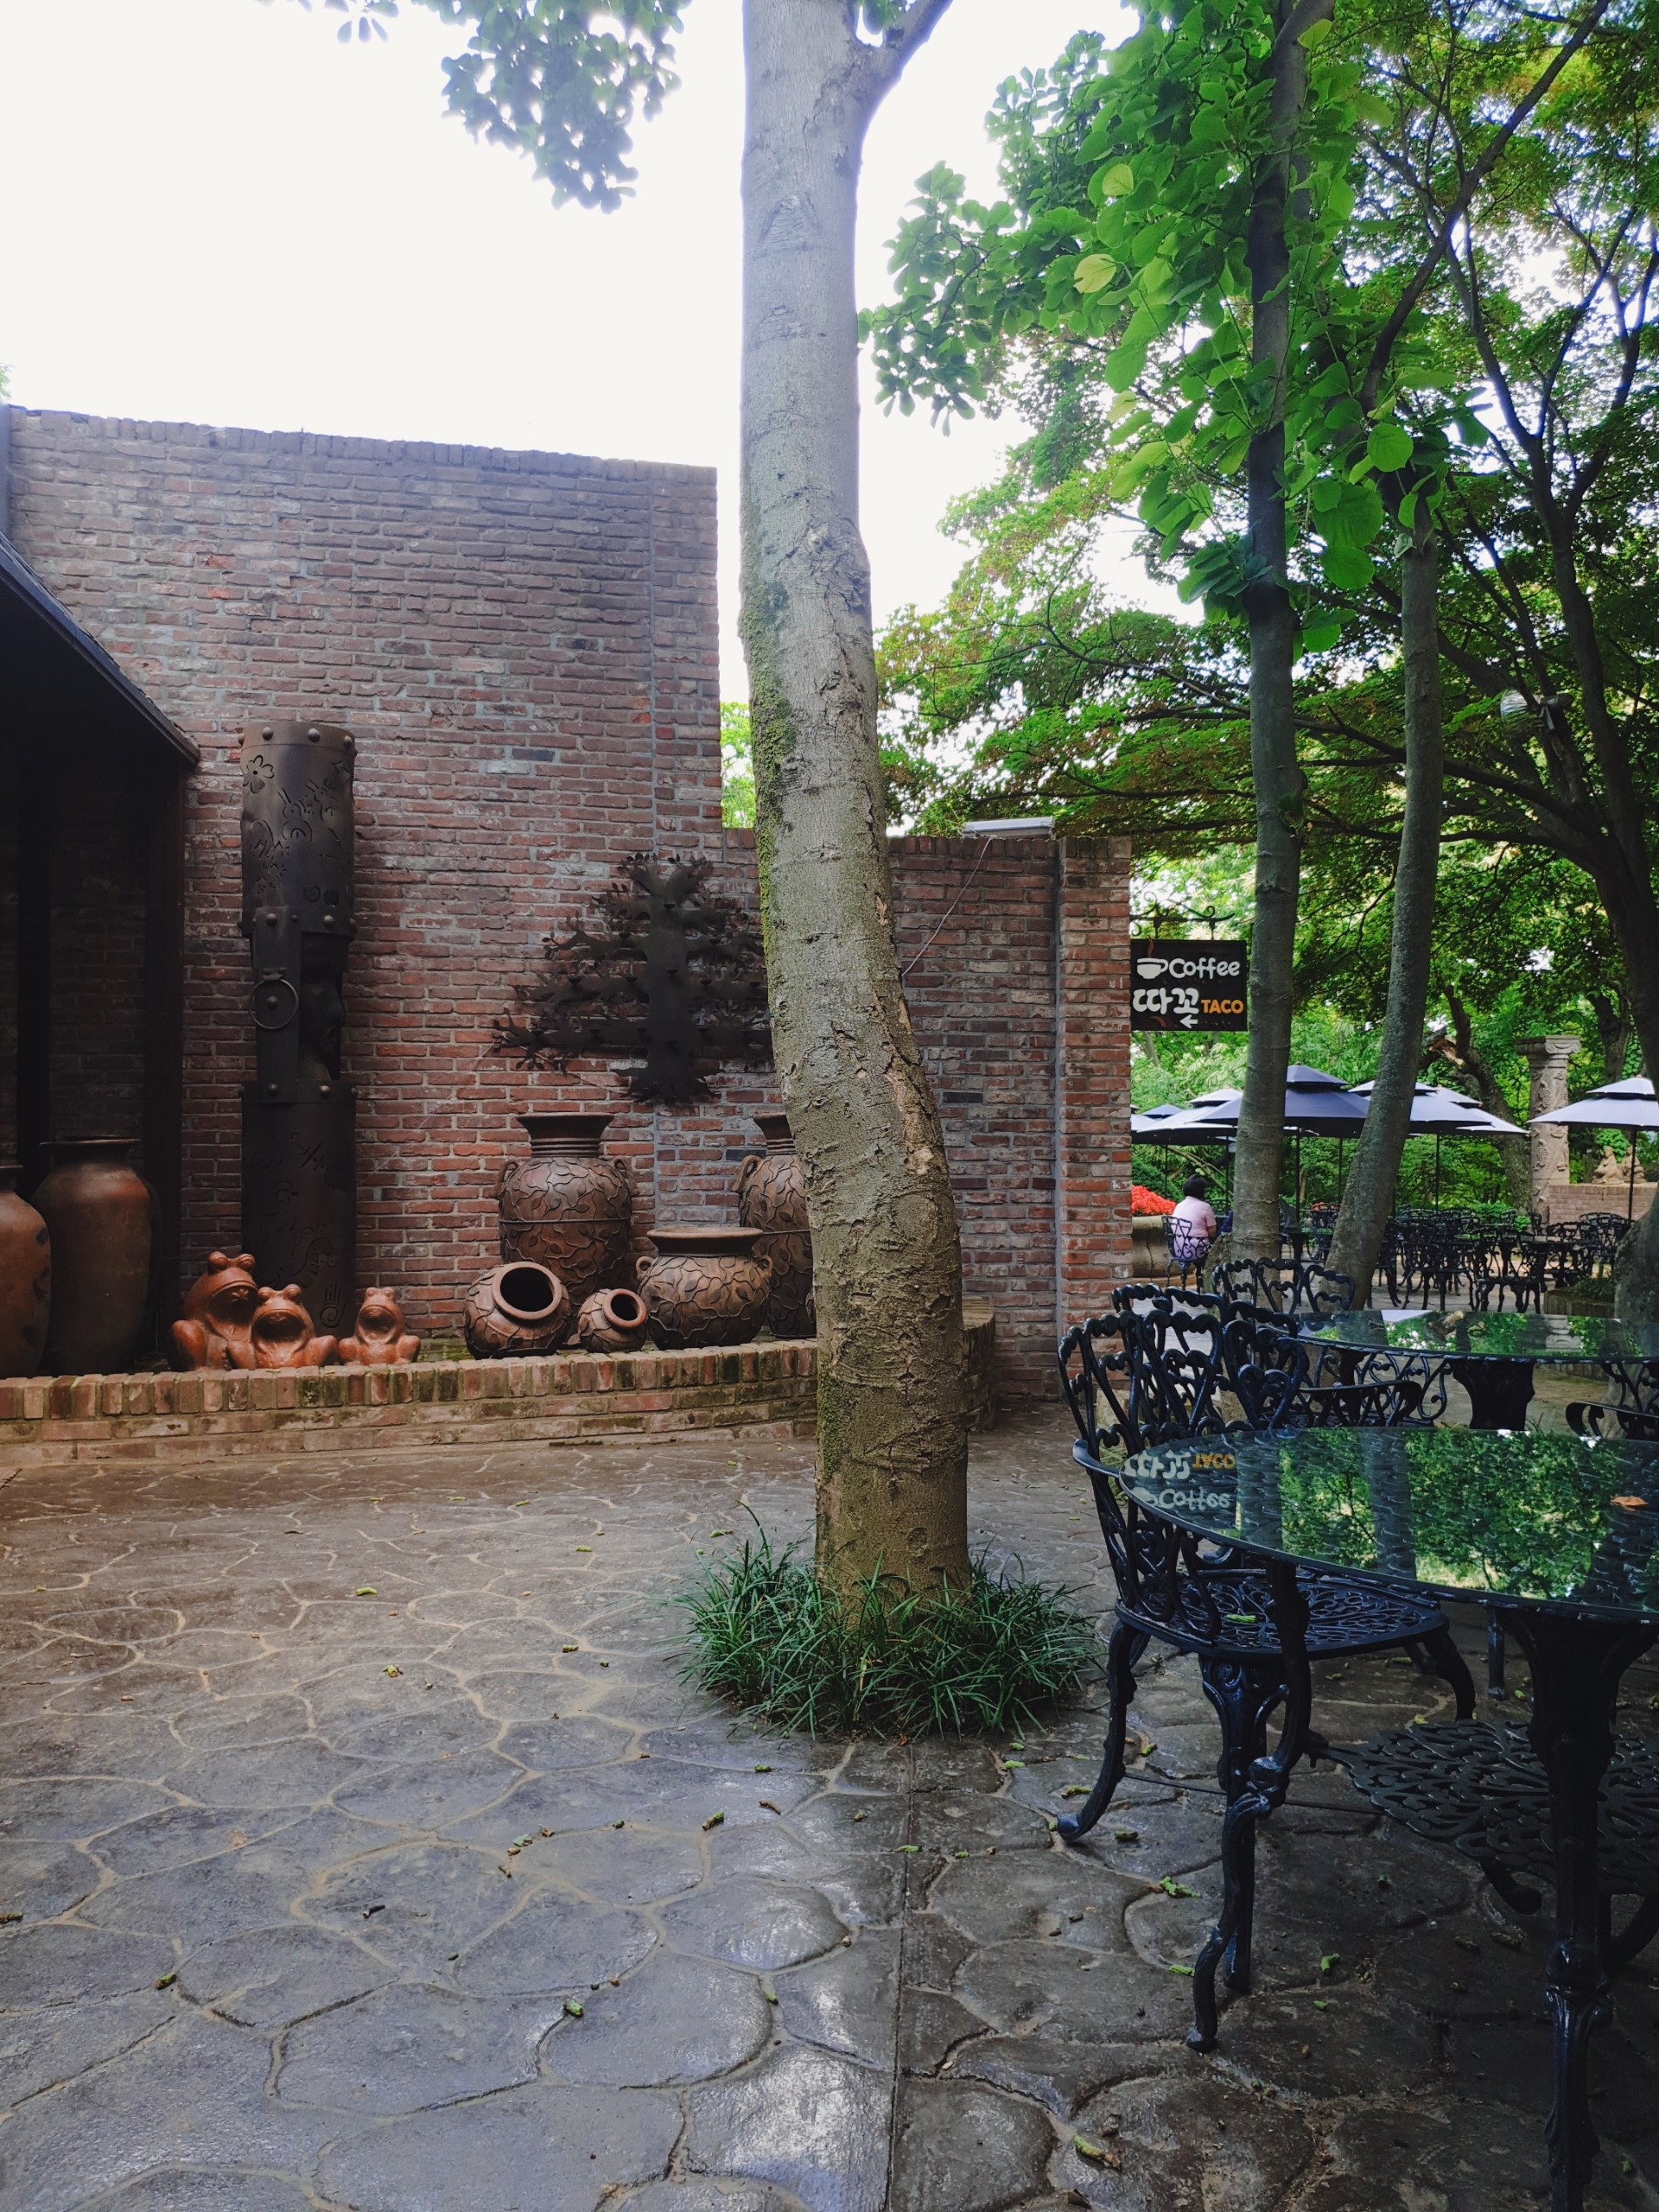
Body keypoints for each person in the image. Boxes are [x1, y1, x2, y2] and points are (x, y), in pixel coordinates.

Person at [1169, 1174, 1217, 1261]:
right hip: (1197, 1251)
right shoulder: (1205, 1207)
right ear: (1202, 1191)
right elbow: (1212, 1232)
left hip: (1178, 1250)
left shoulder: (1179, 1205)